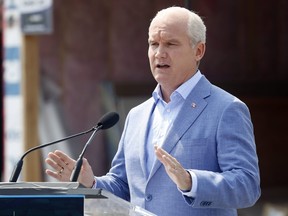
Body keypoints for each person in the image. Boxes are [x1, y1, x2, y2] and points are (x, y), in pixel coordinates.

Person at [45, 6, 261, 216]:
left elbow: (247, 187)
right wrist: (91, 181)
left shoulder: (227, 108)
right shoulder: (137, 115)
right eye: (153, 44)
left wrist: (191, 181)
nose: (159, 53)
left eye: (170, 44)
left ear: (198, 51)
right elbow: (123, 185)